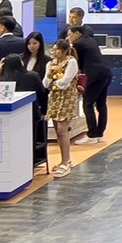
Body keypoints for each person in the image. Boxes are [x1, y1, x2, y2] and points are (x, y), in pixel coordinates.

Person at [0, 52, 49, 170]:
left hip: (10, 116)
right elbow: (42, 94)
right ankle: (31, 161)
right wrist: (44, 111)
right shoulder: (33, 76)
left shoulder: (3, 80)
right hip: (32, 114)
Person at [68, 24, 112, 144]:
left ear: (77, 34)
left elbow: (75, 61)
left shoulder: (78, 44)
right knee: (101, 104)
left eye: (70, 35)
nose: (68, 38)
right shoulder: (90, 39)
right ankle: (100, 133)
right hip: (106, 73)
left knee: (88, 104)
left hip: (94, 76)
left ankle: (92, 135)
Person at [42, 39, 79, 177]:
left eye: (57, 49)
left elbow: (65, 82)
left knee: (63, 129)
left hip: (67, 97)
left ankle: (66, 161)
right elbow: (45, 83)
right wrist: (51, 78)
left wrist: (54, 83)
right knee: (57, 129)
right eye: (53, 49)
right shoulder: (50, 64)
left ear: (65, 51)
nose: (54, 52)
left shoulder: (71, 62)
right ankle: (65, 160)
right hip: (54, 97)